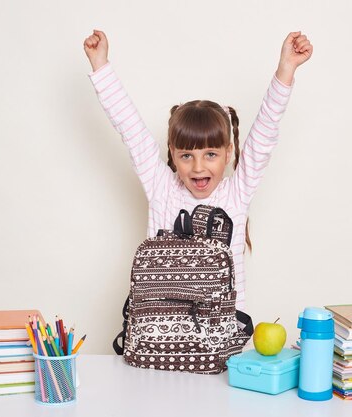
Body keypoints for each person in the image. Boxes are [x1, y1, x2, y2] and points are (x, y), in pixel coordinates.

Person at [84, 30, 312, 309]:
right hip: (162, 334)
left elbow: (265, 132)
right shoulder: (162, 189)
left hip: (224, 335)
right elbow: (131, 130)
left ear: (228, 153)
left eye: (211, 154)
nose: (198, 167)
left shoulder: (236, 194)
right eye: (187, 155)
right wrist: (101, 65)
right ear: (173, 154)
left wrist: (286, 68)